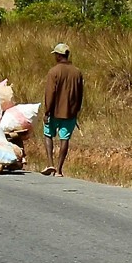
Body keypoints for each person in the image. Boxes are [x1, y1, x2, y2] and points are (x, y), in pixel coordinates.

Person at [39, 42, 84, 176]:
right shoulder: (77, 72)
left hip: (54, 112)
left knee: (48, 135)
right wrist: (76, 110)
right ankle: (59, 170)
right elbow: (80, 94)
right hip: (70, 113)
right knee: (64, 139)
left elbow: (50, 93)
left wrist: (47, 111)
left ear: (59, 55)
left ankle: (50, 163)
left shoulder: (54, 71)